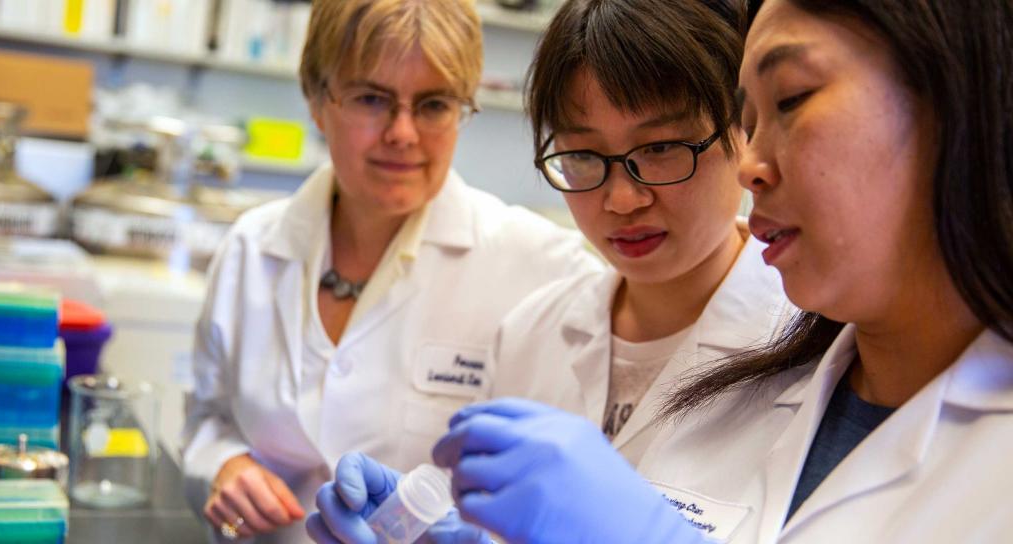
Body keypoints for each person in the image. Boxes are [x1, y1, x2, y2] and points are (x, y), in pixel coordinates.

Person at [426, 0, 1013, 543]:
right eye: (582, 156)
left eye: (789, 101)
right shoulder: (834, 376)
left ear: (962, 93)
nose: (751, 164)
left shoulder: (798, 355)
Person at [181, 0, 601, 541]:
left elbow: (562, 494)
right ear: (316, 99)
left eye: (433, 105)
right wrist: (224, 466)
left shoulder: (543, 268)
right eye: (372, 98)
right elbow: (205, 419)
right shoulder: (251, 248)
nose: (403, 133)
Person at [487, 0, 789, 466]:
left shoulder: (812, 343)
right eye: (584, 155)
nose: (624, 200)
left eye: (662, 147)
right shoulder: (530, 333)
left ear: (744, 128)